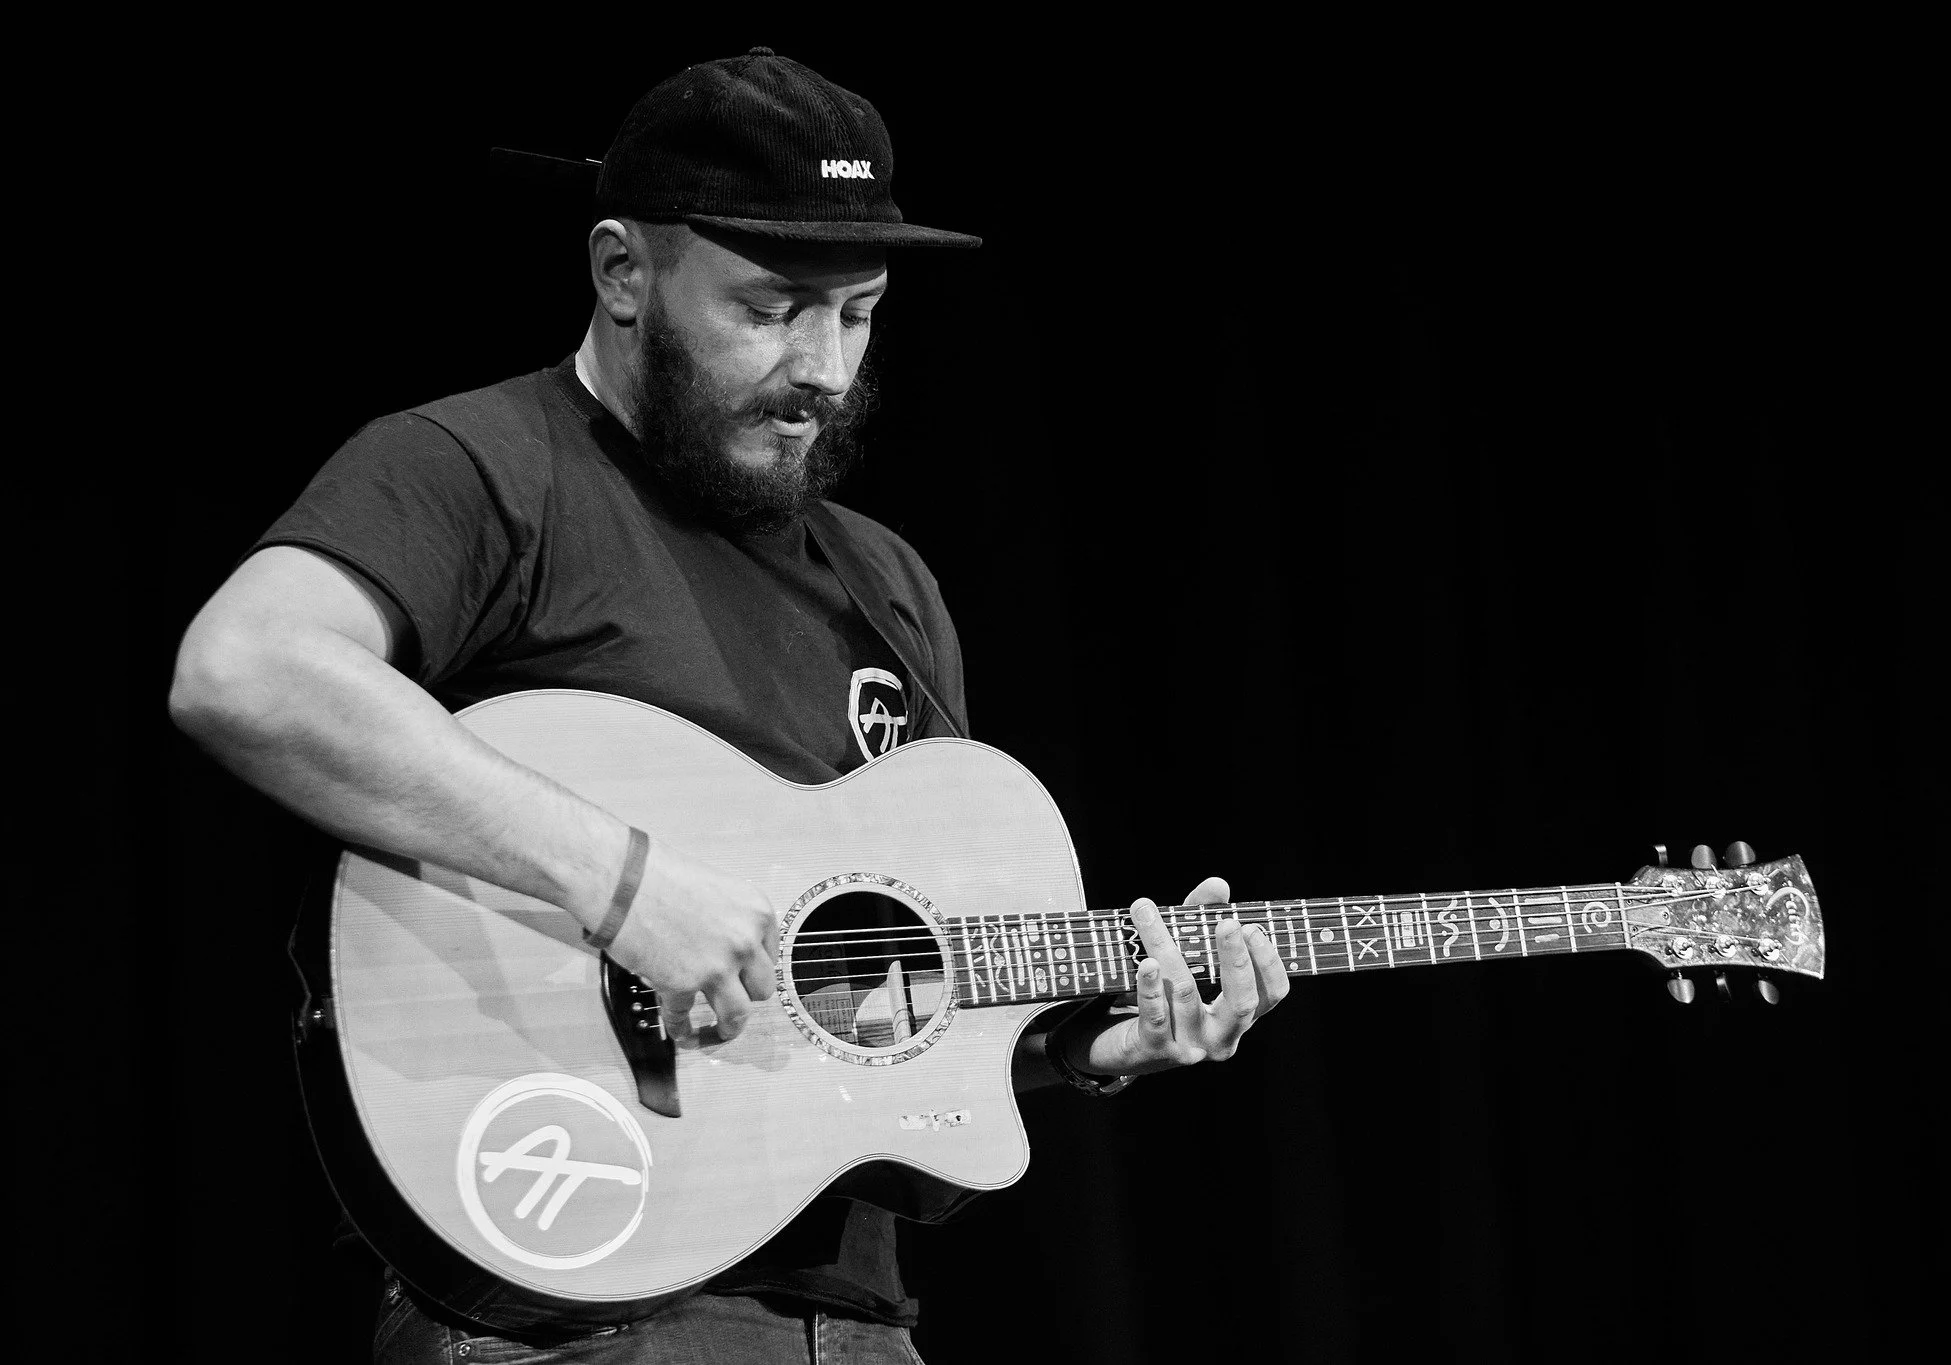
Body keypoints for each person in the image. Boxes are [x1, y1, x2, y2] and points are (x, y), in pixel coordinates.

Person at [169, 49, 1289, 1364]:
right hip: (574, 1307)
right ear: (623, 275)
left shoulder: (888, 586)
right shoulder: (477, 470)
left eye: (859, 313)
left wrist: (1104, 1043)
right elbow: (245, 671)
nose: (823, 364)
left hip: (858, 1325)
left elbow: (879, 1011)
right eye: (771, 308)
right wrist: (627, 886)